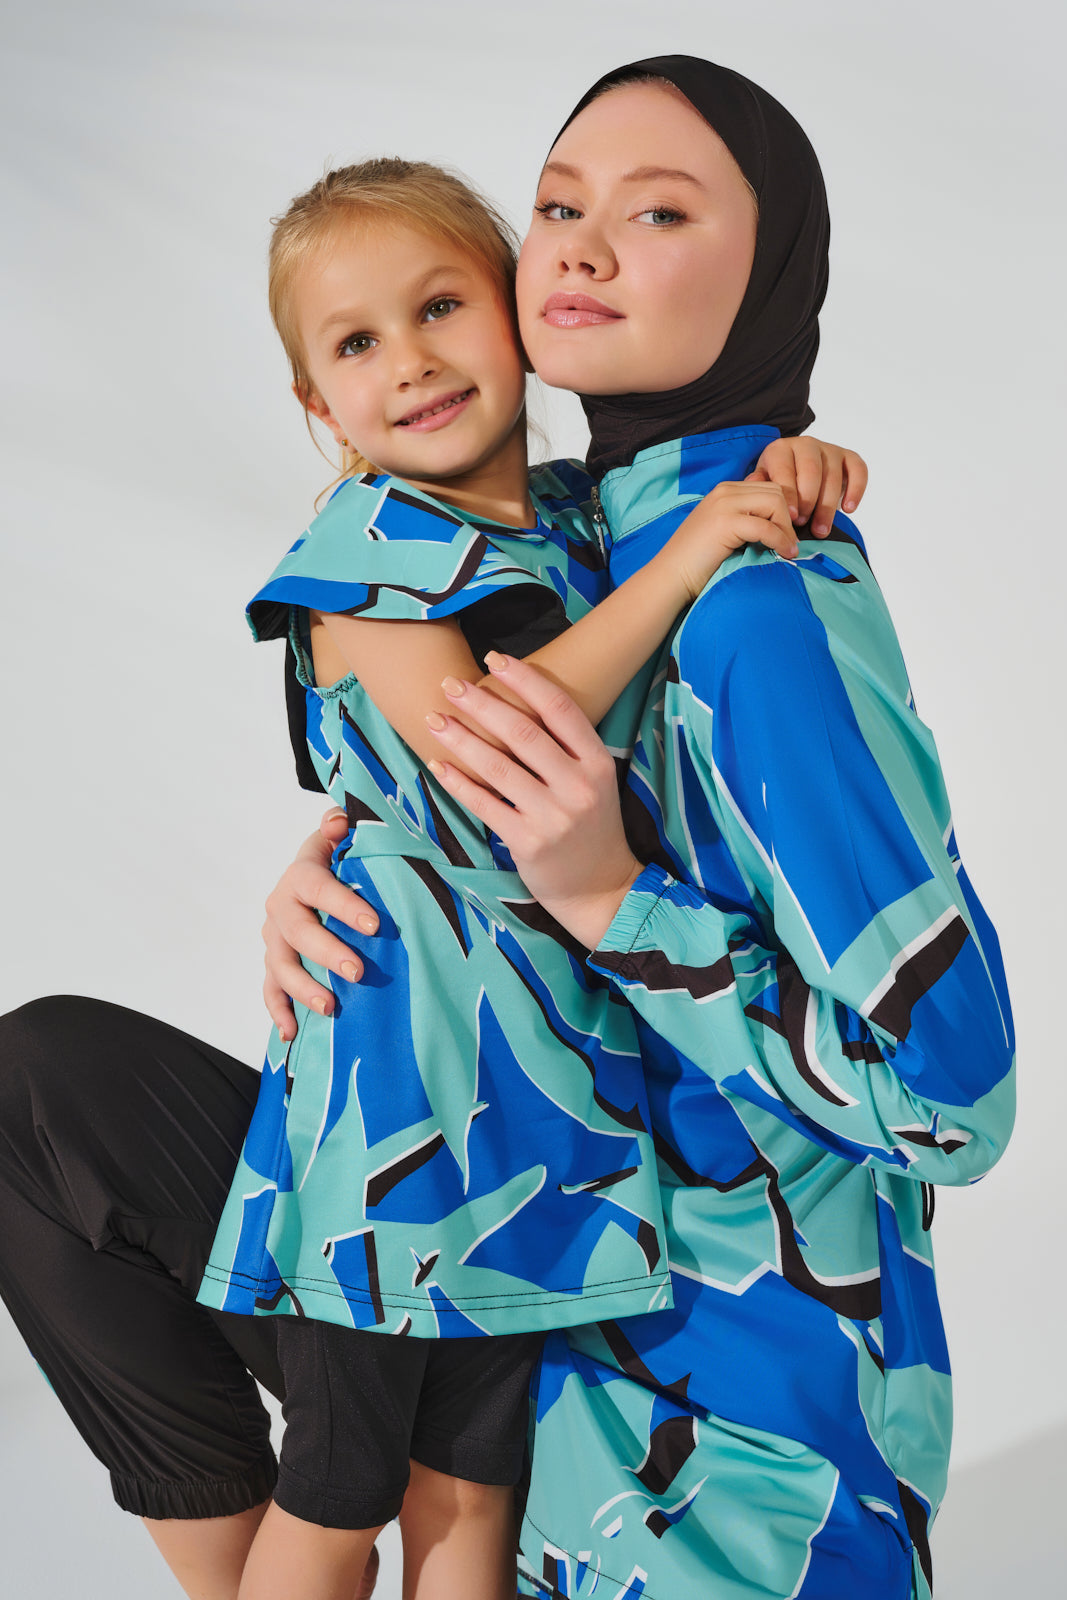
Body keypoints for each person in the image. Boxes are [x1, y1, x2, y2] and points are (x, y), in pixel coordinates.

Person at [0, 141, 863, 1600]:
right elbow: (488, 744)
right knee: (341, 1487)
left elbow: (709, 546)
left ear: (519, 314)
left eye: (442, 307)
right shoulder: (361, 550)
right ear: (314, 402)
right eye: (357, 342)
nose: (409, 361)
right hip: (390, 1138)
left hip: (546, 1127)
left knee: (471, 1493)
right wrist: (693, 559)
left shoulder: (596, 523)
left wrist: (787, 469)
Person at [265, 57, 1015, 1600]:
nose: (586, 247)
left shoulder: (754, 599)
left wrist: (614, 904)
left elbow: (956, 1094)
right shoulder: (575, 534)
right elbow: (443, 721)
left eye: (658, 209)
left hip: (738, 1488)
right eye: (557, 208)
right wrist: (342, 862)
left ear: (773, 270)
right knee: (52, 1100)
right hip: (557, 1385)